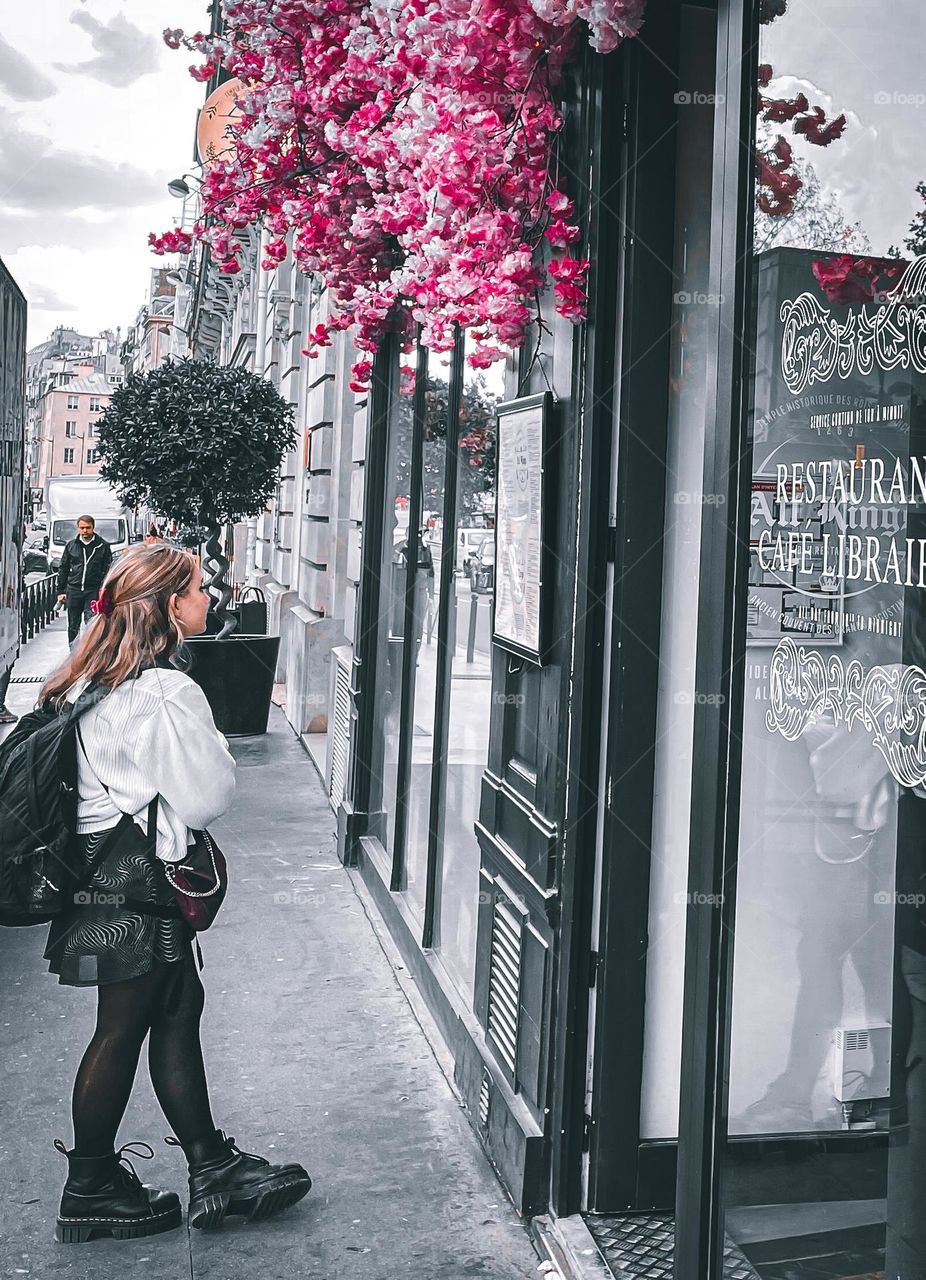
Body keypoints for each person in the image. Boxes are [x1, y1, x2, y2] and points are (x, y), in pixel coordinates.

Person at [39, 543, 312, 1243]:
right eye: (196, 589)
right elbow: (208, 795)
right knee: (124, 1027)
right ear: (166, 606)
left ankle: (210, 1165)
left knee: (175, 1008)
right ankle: (91, 1186)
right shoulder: (162, 691)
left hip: (105, 881)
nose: (210, 600)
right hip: (137, 887)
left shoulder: (92, 676)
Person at [56, 515, 113, 645]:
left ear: (93, 527)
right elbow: (63, 569)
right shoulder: (71, 546)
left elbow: (108, 569)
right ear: (78, 528)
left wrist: (104, 590)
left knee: (91, 624)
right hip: (74, 590)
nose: (85, 531)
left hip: (93, 590)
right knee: (73, 626)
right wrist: (60, 591)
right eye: (82, 528)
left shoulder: (102, 546)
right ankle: (73, 653)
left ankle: (89, 652)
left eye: (88, 528)